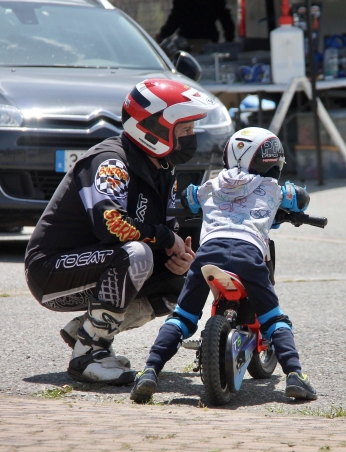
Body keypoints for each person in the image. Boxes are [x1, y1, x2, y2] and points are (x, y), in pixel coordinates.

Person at [25, 79, 219, 385]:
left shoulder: (163, 169)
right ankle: (88, 354)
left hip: (101, 265)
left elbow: (164, 232)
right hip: (51, 271)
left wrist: (179, 257)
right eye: (185, 130)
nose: (192, 137)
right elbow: (111, 225)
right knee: (136, 255)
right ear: (154, 128)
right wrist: (166, 239)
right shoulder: (110, 161)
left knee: (181, 280)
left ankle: (85, 331)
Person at [130, 127, 318, 402]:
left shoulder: (212, 185)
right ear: (271, 161)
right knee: (274, 319)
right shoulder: (273, 188)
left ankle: (149, 371)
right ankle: (295, 376)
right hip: (248, 255)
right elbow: (300, 198)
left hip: (208, 254)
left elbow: (189, 198)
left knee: (183, 316)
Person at [155, 0, 235, 44]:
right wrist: (229, 40)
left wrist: (162, 35)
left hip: (188, 39)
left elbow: (176, 18)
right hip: (209, 39)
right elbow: (226, 19)